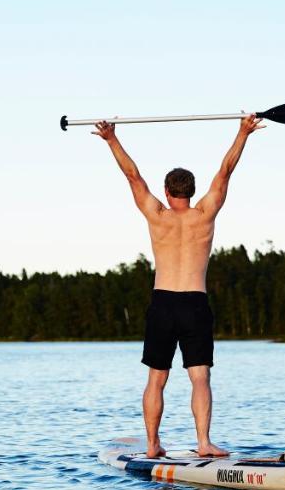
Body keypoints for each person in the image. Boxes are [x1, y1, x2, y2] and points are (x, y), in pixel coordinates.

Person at [94, 114, 265, 458]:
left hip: (163, 304)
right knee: (200, 378)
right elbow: (226, 170)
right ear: (192, 190)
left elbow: (132, 175)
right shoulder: (205, 214)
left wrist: (111, 139)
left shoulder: (157, 214)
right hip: (195, 304)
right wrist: (243, 132)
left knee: (157, 379)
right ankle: (203, 443)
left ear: (168, 191)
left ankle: (154, 445)